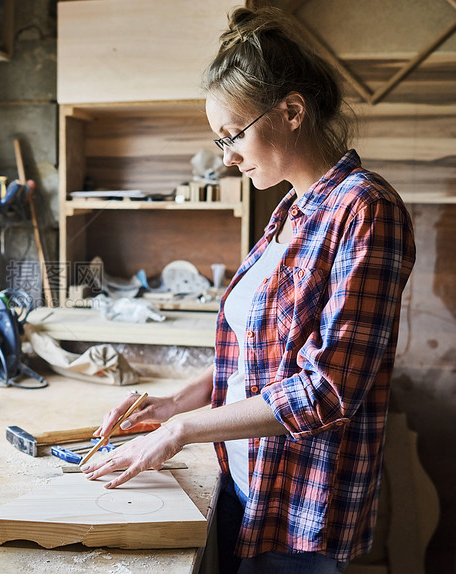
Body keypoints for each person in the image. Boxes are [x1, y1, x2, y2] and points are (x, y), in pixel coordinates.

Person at [81, 6, 416, 573]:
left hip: (300, 501)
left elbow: (327, 390)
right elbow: (258, 355)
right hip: (244, 475)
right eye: (220, 141)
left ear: (289, 111)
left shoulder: (364, 208)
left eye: (232, 134)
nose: (228, 156)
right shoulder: (289, 209)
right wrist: (175, 404)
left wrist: (183, 430)